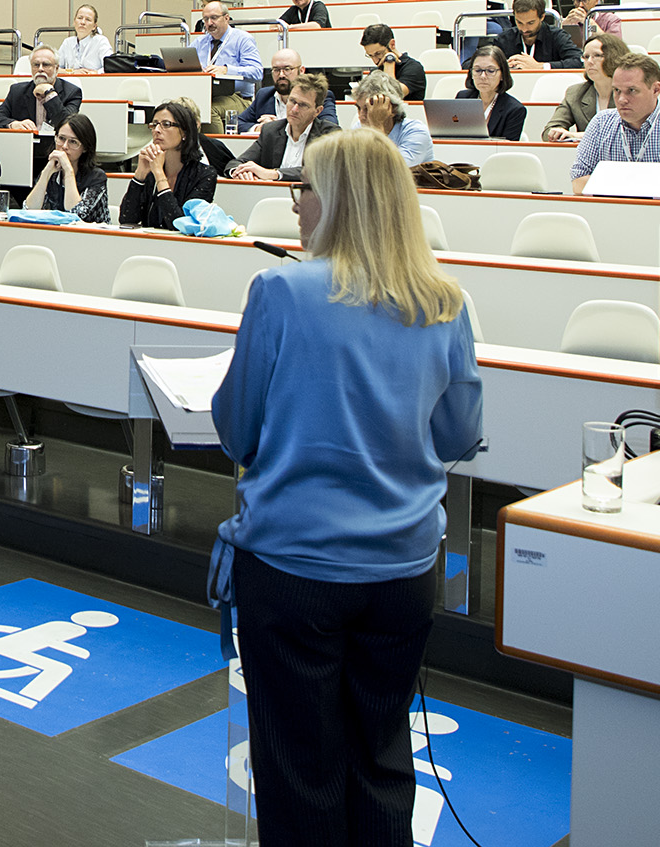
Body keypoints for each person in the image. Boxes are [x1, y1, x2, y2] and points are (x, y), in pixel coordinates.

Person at [211, 126, 482, 847]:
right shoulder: (445, 301)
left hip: (295, 566)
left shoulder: (279, 290)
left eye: (305, 188)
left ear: (340, 201)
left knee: (301, 770)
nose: (295, 203)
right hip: (402, 570)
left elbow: (237, 431)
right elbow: (459, 437)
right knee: (382, 757)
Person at [566, 54, 660, 198]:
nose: (621, 99)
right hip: (613, 210)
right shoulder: (601, 122)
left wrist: (618, 180)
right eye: (617, 90)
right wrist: (651, 181)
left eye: (632, 91)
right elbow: (578, 182)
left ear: (656, 90)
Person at [120, 98, 215, 229]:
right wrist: (139, 175)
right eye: (154, 124)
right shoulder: (150, 172)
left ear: (185, 132)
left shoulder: (204, 175)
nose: (157, 130)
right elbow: (127, 219)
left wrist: (159, 174)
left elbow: (180, 225)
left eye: (166, 124)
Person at [228, 74, 337, 183]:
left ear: (317, 111)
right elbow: (237, 162)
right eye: (292, 101)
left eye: (303, 105)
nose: (294, 109)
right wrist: (241, 172)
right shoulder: (271, 130)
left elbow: (321, 170)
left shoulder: (329, 135)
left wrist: (273, 174)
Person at [193, 0, 267, 129]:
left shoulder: (243, 39)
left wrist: (227, 70)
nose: (209, 23)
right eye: (206, 19)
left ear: (226, 18)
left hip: (238, 97)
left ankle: (217, 143)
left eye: (214, 18)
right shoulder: (200, 42)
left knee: (208, 110)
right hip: (205, 94)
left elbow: (257, 73)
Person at [21, 114, 109, 222]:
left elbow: (75, 215)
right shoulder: (53, 174)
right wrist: (46, 173)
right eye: (61, 138)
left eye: (73, 142)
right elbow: (29, 211)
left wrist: (68, 170)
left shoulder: (96, 177)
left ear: (85, 147)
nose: (64, 146)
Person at [544, 34, 628, 142]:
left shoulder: (630, 93)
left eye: (597, 55)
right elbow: (548, 132)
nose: (590, 61)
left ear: (615, 57)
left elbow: (628, 133)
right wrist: (556, 133)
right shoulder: (575, 93)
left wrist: (578, 136)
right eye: (586, 57)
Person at [231, 49, 341, 131]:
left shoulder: (317, 95)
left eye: (287, 69)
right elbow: (238, 123)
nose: (281, 75)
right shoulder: (264, 95)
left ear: (301, 70)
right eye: (276, 70)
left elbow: (331, 127)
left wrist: (276, 126)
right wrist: (259, 128)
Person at [0, 46, 83, 132]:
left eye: (46, 64)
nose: (40, 69)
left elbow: (67, 125)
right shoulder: (17, 91)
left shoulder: (72, 92)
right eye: (36, 65)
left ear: (56, 69)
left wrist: (50, 94)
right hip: (26, 142)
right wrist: (14, 124)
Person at [351, 72, 431, 166]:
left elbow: (390, 169)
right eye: (359, 108)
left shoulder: (416, 132)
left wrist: (377, 126)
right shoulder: (358, 128)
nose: (361, 116)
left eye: (368, 109)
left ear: (392, 108)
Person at [493, 0, 580, 72]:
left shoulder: (557, 36)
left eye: (530, 23)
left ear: (542, 17)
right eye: (519, 22)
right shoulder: (504, 39)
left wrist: (541, 67)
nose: (524, 29)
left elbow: (578, 61)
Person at [458, 43, 526, 140]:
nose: (483, 76)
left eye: (490, 71)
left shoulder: (514, 110)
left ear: (502, 75)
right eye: (477, 70)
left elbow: (508, 146)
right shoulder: (462, 98)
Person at [361, 23, 427, 101]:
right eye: (370, 55)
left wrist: (389, 60)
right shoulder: (376, 71)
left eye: (378, 53)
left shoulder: (413, 68)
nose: (375, 61)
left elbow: (392, 95)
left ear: (392, 44)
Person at [55, 3, 112, 72]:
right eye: (80, 18)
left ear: (94, 26)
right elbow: (54, 68)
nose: (82, 22)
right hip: (71, 78)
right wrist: (72, 72)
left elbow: (110, 67)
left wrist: (95, 73)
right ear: (74, 22)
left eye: (88, 19)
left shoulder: (101, 41)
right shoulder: (67, 42)